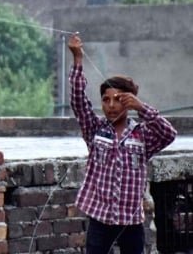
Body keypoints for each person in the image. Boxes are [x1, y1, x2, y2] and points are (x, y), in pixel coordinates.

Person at [68, 33, 176, 254]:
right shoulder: (95, 129)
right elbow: (78, 101)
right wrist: (78, 59)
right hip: (99, 218)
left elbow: (169, 133)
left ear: (129, 102)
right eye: (106, 100)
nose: (111, 105)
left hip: (131, 221)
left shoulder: (142, 136)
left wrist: (142, 107)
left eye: (118, 99)